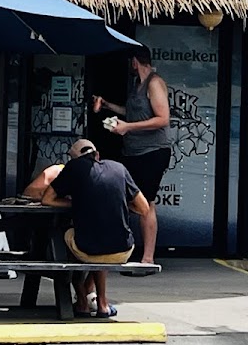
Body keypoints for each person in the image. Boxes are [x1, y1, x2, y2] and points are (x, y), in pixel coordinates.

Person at [42, 139, 150, 318]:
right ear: (97, 155)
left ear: (74, 159)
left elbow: (47, 199)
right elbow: (143, 208)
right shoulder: (119, 168)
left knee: (68, 236)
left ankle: (82, 299)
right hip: (124, 249)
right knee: (101, 236)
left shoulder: (74, 167)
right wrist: (116, 202)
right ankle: (102, 304)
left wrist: (76, 203)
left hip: (88, 248)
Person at [92, 47, 171, 265]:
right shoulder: (136, 85)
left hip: (152, 151)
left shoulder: (154, 83)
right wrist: (108, 106)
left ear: (135, 62)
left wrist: (128, 128)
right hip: (132, 151)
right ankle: (124, 248)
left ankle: (148, 257)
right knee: (126, 199)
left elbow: (163, 118)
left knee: (146, 201)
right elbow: (133, 112)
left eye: (130, 62)